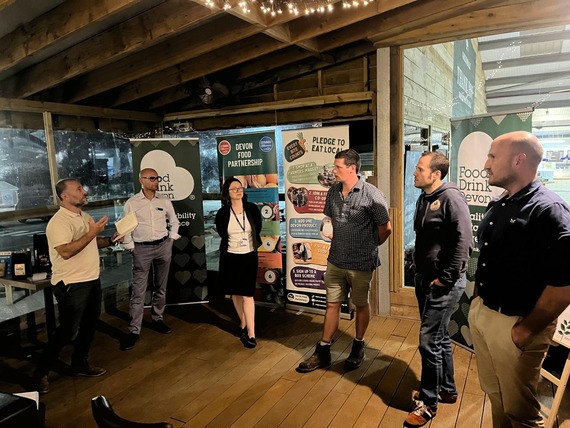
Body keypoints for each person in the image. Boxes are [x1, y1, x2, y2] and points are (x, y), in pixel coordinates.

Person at [468, 131, 570, 427]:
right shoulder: (500, 203)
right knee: (496, 396)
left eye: (492, 156)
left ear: (519, 160)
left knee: (521, 413)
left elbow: (563, 288)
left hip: (516, 325)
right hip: (485, 314)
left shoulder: (550, 210)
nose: (486, 165)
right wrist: (477, 308)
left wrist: (525, 331)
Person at [296, 148, 391, 373]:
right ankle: (324, 350)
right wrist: (327, 229)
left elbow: (386, 228)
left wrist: (369, 246)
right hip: (335, 261)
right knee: (332, 304)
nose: (334, 170)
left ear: (352, 168)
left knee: (360, 305)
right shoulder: (333, 192)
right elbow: (328, 219)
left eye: (338, 167)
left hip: (361, 264)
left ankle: (358, 345)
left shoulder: (372, 194)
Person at [404, 152, 473, 427]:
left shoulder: (451, 199)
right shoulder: (424, 197)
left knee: (428, 341)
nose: (414, 173)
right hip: (425, 279)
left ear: (436, 174)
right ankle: (447, 389)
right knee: (440, 337)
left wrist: (446, 278)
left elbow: (464, 242)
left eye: (419, 169)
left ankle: (428, 403)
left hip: (443, 284)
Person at [34, 178, 121, 394]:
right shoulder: (59, 222)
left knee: (90, 325)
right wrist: (91, 233)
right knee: (66, 331)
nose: (85, 192)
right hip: (71, 284)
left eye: (83, 187)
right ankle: (40, 373)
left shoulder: (84, 216)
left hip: (91, 279)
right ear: (65, 196)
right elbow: (65, 251)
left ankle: (80, 363)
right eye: (79, 189)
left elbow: (92, 242)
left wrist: (110, 240)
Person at [120, 168, 180, 351]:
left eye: (157, 178)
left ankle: (157, 319)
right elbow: (125, 228)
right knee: (139, 291)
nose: (156, 181)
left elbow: (174, 221)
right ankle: (134, 330)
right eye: (152, 178)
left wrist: (171, 239)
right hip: (141, 249)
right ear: (142, 180)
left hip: (163, 246)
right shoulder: (132, 203)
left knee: (160, 287)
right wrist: (131, 247)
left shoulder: (164, 200)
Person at [215, 177, 262, 348]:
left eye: (240, 187)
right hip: (230, 256)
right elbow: (222, 232)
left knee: (248, 294)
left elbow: (258, 227)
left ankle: (251, 333)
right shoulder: (222, 213)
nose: (238, 190)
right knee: (235, 292)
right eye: (234, 189)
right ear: (227, 193)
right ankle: (242, 323)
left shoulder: (251, 209)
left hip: (249, 255)